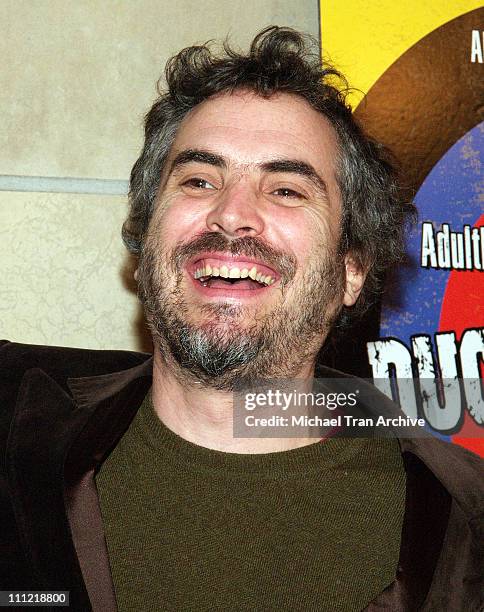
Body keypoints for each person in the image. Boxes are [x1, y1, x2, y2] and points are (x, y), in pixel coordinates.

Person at [1, 26, 482, 612]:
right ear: (147, 237)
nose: (231, 215)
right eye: (200, 180)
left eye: (285, 189)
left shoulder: (462, 523)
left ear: (352, 269)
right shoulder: (13, 426)